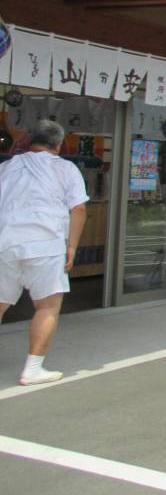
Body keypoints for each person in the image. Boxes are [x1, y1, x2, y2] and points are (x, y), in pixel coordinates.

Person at [0, 120, 88, 386]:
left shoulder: (6, 167)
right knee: (47, 305)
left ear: (28, 140)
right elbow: (79, 209)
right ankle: (33, 369)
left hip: (6, 241)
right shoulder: (65, 168)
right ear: (59, 145)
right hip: (46, 243)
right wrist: (71, 247)